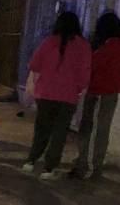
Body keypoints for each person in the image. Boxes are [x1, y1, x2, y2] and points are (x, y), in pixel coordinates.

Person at [23, 11, 90, 181]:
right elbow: (84, 72)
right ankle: (49, 168)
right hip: (67, 95)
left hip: (45, 93)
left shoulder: (49, 41)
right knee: (59, 132)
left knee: (42, 128)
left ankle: (31, 160)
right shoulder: (82, 46)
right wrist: (81, 88)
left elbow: (35, 64)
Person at [71, 11, 120, 179]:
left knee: (88, 127)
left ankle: (84, 163)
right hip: (112, 91)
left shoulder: (108, 47)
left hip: (96, 89)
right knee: (102, 128)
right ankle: (95, 164)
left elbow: (94, 63)